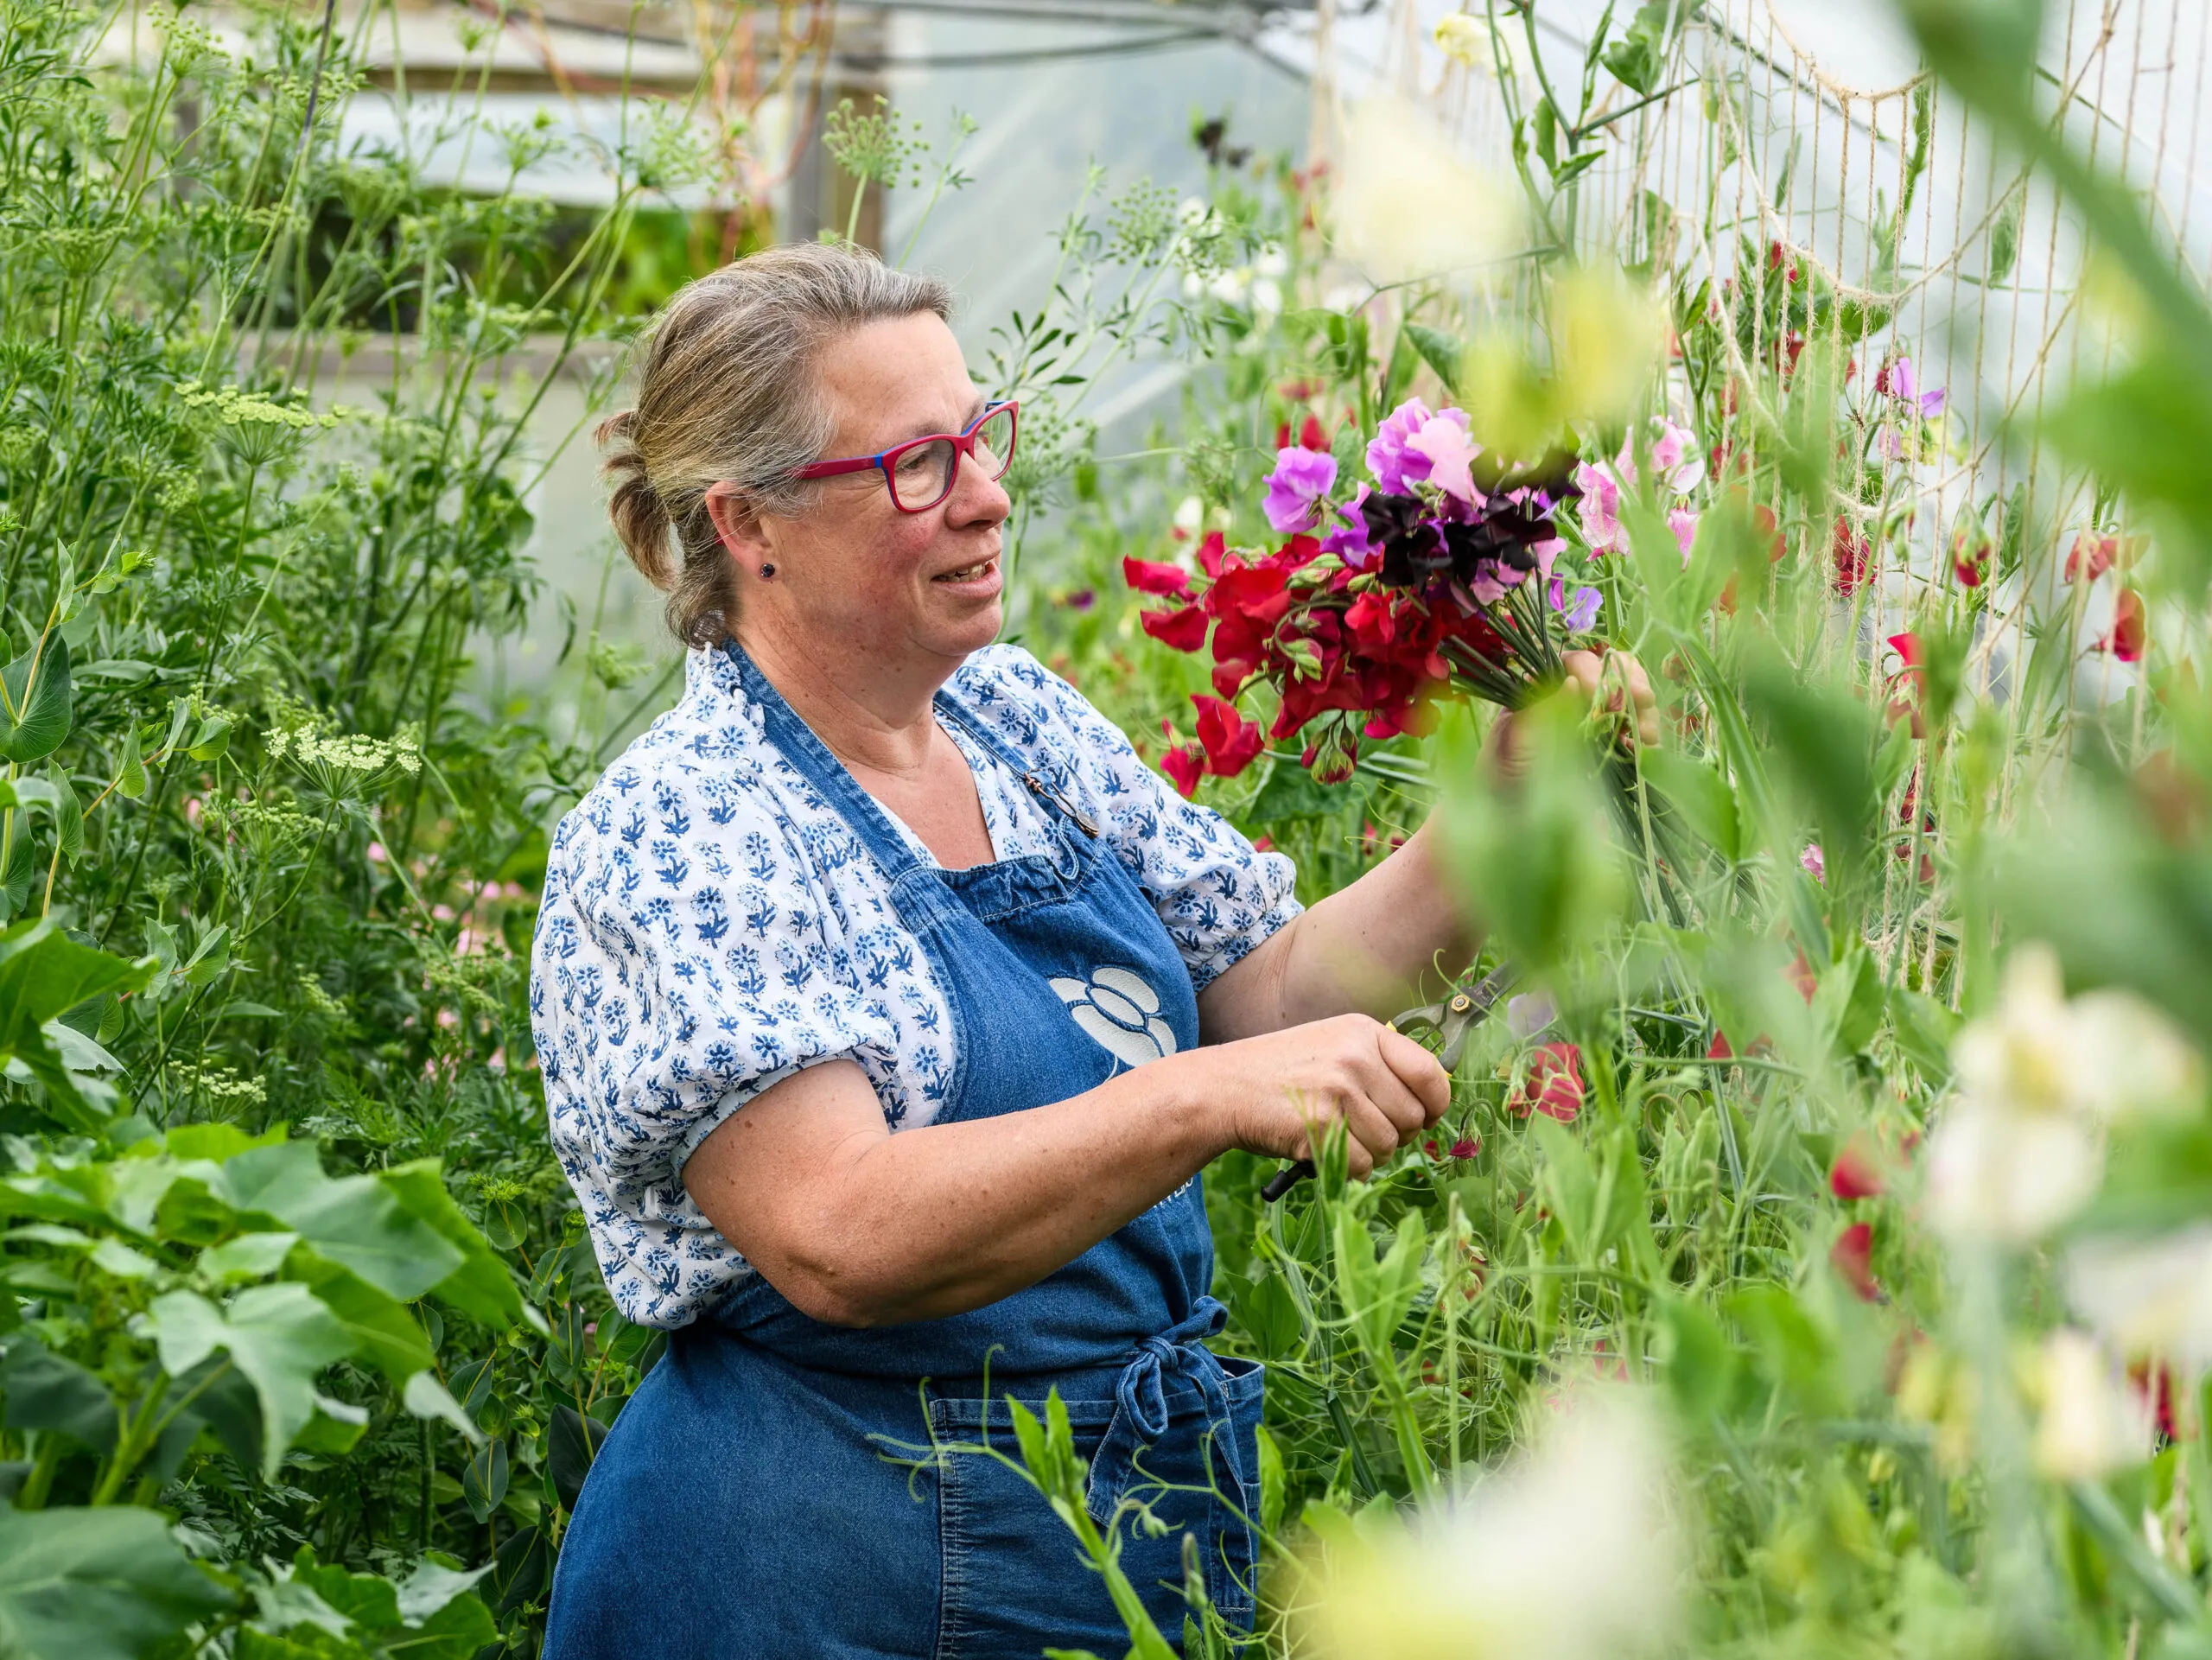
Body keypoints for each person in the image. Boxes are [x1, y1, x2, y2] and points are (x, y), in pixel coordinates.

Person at [530, 241, 1655, 1658]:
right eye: (915, 465)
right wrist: (1190, 1100)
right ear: (748, 523)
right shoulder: (688, 823)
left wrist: (1502, 810)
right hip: (819, 1566)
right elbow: (835, 1235)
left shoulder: (1012, 720)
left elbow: (1269, 992)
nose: (988, 494)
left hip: (1105, 1529)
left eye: (978, 435)